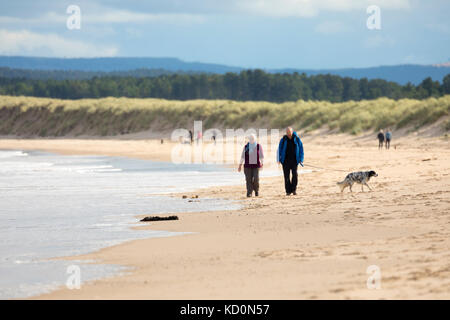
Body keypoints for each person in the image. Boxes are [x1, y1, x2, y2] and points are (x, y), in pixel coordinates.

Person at [277, 127, 304, 196]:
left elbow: (301, 149)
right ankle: (288, 191)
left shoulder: (297, 139)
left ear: (292, 132)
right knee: (286, 176)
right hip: (285, 161)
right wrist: (278, 159)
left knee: (295, 175)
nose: (288, 134)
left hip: (294, 160)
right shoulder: (283, 140)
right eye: (287, 133)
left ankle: (294, 189)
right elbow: (279, 150)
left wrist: (301, 159)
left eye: (289, 132)